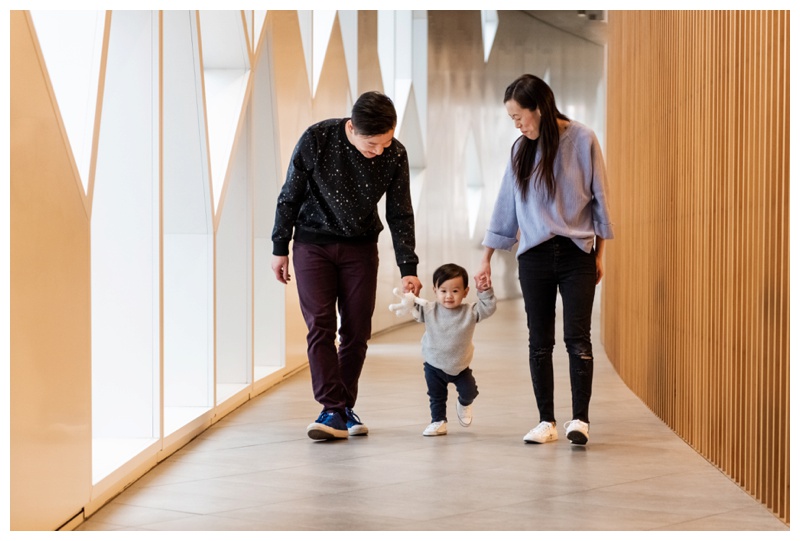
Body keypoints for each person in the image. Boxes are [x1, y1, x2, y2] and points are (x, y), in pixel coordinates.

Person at [271, 91, 422, 441]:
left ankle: (339, 409)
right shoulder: (317, 139)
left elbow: (400, 212)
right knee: (320, 324)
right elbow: (289, 193)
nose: (379, 151)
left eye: (385, 143)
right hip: (312, 245)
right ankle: (331, 407)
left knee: (356, 330)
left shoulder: (395, 154)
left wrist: (408, 266)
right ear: (352, 128)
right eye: (372, 144)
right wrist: (280, 246)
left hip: (361, 248)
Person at [475, 74, 614, 446]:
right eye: (512, 119)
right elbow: (505, 206)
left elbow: (600, 199)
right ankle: (546, 421)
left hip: (576, 253)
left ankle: (580, 420)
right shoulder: (520, 149)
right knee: (539, 341)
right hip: (533, 256)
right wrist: (486, 258)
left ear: (540, 109)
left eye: (519, 116)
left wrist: (599, 254)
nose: (517, 124)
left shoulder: (583, 139)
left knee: (577, 338)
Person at [390, 264, 496, 436]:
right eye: (443, 290)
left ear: (465, 291)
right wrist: (410, 297)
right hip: (434, 365)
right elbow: (415, 308)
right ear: (435, 290)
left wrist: (485, 291)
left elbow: (488, 308)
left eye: (455, 291)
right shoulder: (429, 309)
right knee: (436, 396)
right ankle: (438, 421)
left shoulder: (470, 311)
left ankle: (464, 402)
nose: (449, 296)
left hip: (460, 366)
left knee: (470, 391)